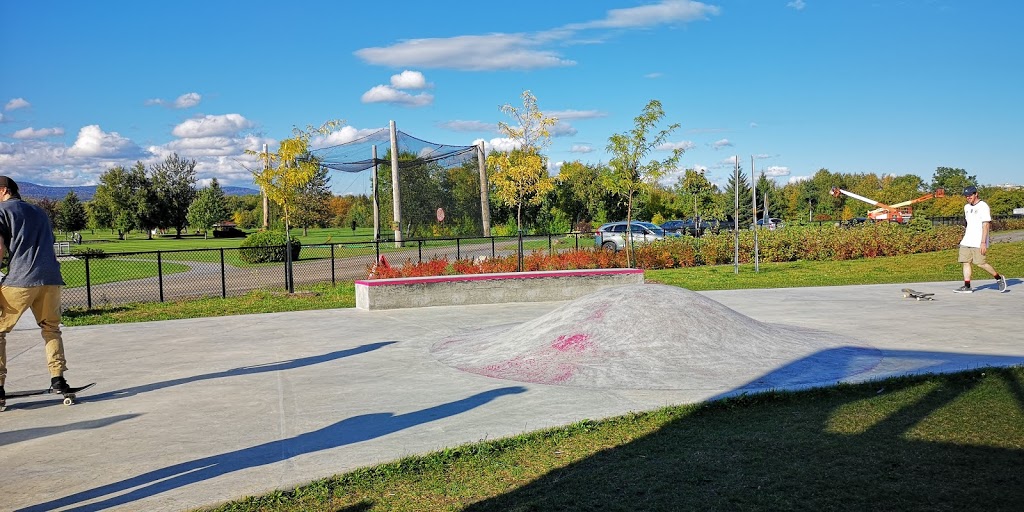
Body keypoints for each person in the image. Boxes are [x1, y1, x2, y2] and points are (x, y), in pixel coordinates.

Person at [0, 176, 76, 401]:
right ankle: (58, 379)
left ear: (4, 190)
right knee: (51, 329)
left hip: (21, 280)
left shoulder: (3, 211)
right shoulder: (40, 212)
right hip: (51, 278)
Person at [954, 185, 1007, 293]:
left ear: (976, 194)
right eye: (966, 196)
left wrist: (983, 242)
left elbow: (986, 225)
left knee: (980, 263)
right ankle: (967, 286)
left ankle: (999, 278)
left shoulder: (983, 206)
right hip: (967, 240)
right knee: (965, 261)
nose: (968, 197)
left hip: (978, 241)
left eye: (970, 195)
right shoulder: (967, 207)